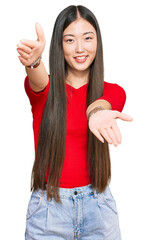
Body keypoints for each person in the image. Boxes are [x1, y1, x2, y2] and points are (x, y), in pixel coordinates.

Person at [17, 5, 132, 240]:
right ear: (60, 45)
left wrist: (97, 112)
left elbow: (102, 104)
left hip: (98, 211)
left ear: (97, 42)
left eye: (87, 38)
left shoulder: (112, 91)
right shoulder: (46, 90)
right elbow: (38, 80)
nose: (80, 48)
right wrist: (34, 62)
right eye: (70, 40)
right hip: (48, 211)